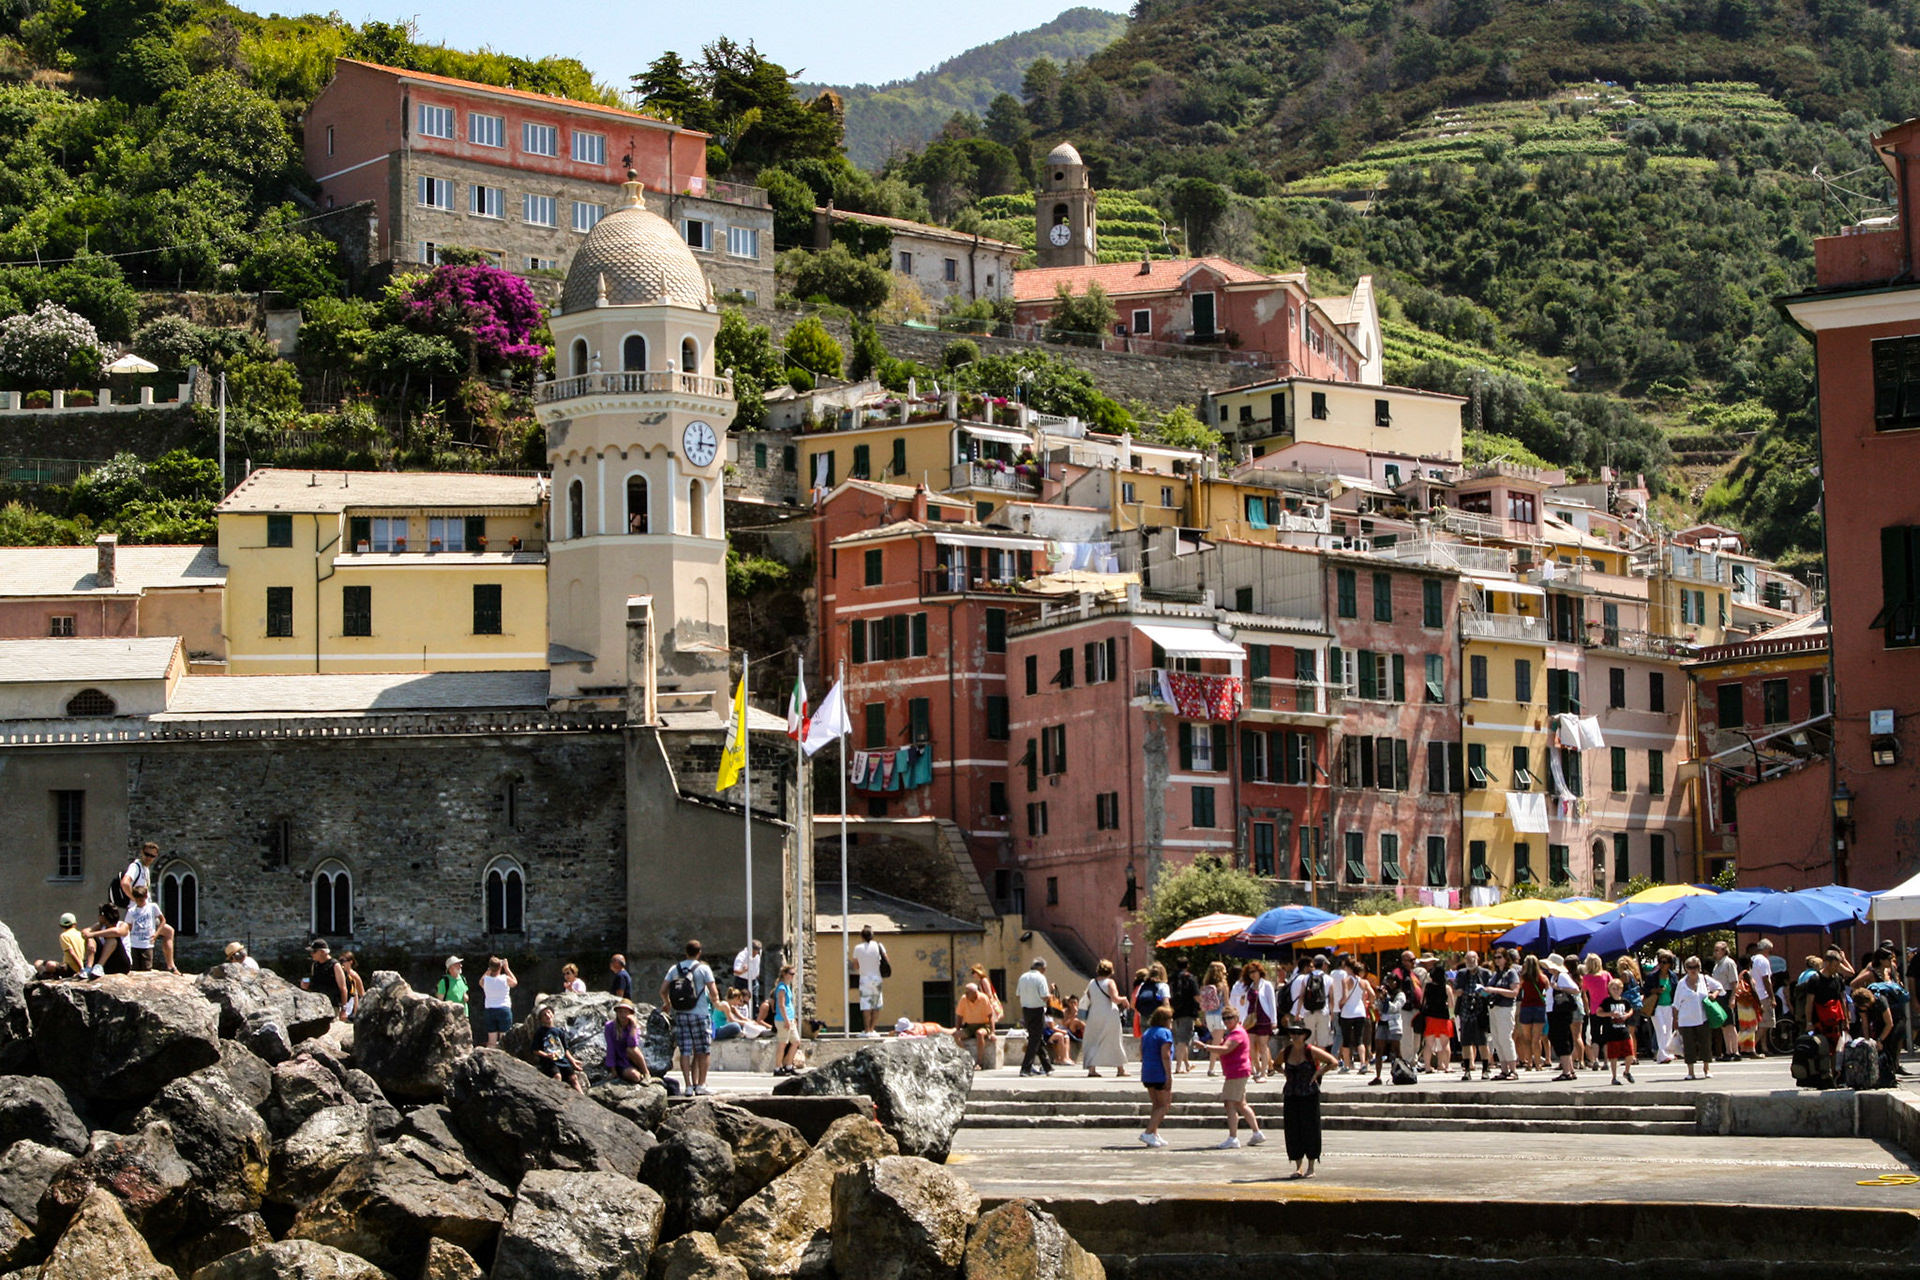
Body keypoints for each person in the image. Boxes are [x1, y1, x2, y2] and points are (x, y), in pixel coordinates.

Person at [1195, 1005, 1264, 1147]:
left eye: (1229, 1018)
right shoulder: (1234, 1033)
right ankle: (1257, 1133)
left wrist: (1206, 1047)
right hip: (1237, 1071)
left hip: (1237, 1072)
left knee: (1229, 1103)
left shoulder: (1237, 1033)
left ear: (1236, 1018)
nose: (1226, 1021)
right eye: (1224, 1019)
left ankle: (1233, 1137)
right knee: (1241, 1104)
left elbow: (1226, 1049)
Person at [661, 940, 721, 1095]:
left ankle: (688, 1086)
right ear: (699, 952)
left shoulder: (675, 968)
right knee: (703, 1050)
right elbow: (713, 992)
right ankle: (701, 1084)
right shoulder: (703, 968)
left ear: (685, 951)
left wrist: (668, 1003)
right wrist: (716, 1003)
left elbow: (663, 990)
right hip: (700, 1013)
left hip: (681, 1014)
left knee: (685, 1051)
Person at [1279, 1022, 1338, 1178]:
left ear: (1304, 1035)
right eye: (1292, 1033)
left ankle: (1311, 1166)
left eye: (1298, 1033)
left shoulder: (1310, 1051)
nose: (1295, 1036)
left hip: (1309, 1093)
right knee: (1293, 1129)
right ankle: (1298, 1166)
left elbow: (1333, 1062)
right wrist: (1285, 1073)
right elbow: (1276, 1064)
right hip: (1292, 1093)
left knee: (1310, 1128)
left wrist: (1319, 1073)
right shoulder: (1286, 1051)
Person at [119, 843, 177, 974]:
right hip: (137, 913)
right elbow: (125, 882)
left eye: (152, 856)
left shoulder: (145, 869)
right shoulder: (136, 867)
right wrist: (135, 899)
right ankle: (170, 966)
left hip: (146, 912)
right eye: (147, 854)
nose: (149, 858)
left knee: (168, 932)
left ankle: (171, 966)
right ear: (141, 852)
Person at [1673, 954, 1726, 1079]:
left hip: (1702, 1018)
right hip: (1686, 1020)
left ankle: (1706, 1068)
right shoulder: (1681, 984)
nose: (1693, 970)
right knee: (1689, 1046)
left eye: (1696, 967)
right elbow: (1676, 1004)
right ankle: (1690, 1072)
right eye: (1690, 967)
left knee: (1706, 1043)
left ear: (1699, 967)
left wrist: (1714, 994)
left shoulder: (1705, 979)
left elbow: (1720, 987)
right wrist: (1675, 1021)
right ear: (1686, 968)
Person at [1081, 959, 1128, 1078]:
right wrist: (1124, 999)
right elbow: (1115, 999)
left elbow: (1089, 997)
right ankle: (1120, 1069)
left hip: (1094, 1014)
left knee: (1093, 1040)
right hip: (1109, 1014)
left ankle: (1092, 1069)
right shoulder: (1110, 982)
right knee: (1114, 1040)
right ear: (1110, 971)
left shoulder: (1092, 982)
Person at [1138, 1006, 1176, 1148]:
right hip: (1159, 1072)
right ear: (1164, 1020)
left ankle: (1154, 1133)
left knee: (1156, 1104)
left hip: (1147, 1071)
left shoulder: (1147, 1032)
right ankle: (1148, 1132)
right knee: (1165, 1105)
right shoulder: (1165, 1033)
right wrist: (1169, 1076)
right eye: (1170, 1018)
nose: (1171, 1021)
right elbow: (1165, 1055)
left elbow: (1141, 1050)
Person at [1233, 960, 1276, 1081]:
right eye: (1250, 972)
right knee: (1251, 1046)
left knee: (1263, 1045)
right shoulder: (1248, 987)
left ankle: (1264, 1073)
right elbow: (1243, 1002)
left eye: (1254, 971)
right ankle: (1257, 1069)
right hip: (1251, 1018)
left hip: (1264, 1017)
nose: (1252, 974)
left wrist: (1274, 1020)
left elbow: (1272, 1003)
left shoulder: (1266, 985)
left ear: (1259, 972)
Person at [1484, 949, 1521, 1081]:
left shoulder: (1511, 973)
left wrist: (1495, 990)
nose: (1497, 960)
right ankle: (1504, 1069)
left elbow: (1514, 992)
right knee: (1497, 1039)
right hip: (1493, 1008)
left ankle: (1513, 1070)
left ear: (1506, 958)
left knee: (1506, 1038)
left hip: (1506, 1008)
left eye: (1500, 957)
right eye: (1495, 957)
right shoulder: (1496, 974)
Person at [1544, 955, 1581, 1081]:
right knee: (1559, 1038)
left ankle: (1566, 1071)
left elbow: (1575, 989)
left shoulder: (1562, 976)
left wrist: (1559, 988)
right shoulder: (1554, 976)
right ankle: (1570, 1069)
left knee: (1561, 1039)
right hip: (1554, 1011)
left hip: (1560, 1012)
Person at [1454, 952, 1490, 1081]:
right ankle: (1467, 1070)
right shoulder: (1462, 973)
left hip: (1480, 1010)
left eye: (1472, 959)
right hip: (1465, 1010)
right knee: (1465, 1042)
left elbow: (1490, 990)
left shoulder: (1485, 973)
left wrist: (1484, 993)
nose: (1470, 962)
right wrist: (1458, 992)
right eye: (1468, 959)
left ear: (1477, 959)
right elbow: (1456, 989)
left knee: (1482, 1041)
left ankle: (1485, 1070)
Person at [534, 1006, 586, 1094]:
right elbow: (535, 1050)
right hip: (550, 1062)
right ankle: (557, 1096)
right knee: (557, 1076)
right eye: (544, 1015)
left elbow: (565, 1049)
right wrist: (546, 1055)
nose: (547, 1015)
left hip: (562, 1060)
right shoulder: (540, 1032)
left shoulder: (559, 1031)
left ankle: (583, 1097)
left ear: (553, 1014)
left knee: (574, 1078)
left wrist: (573, 1061)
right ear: (541, 1019)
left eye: (549, 1012)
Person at [1369, 968, 1407, 1085]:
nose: (1391, 984)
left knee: (1396, 1051)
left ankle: (1400, 1073)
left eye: (1393, 981)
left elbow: (1395, 1008)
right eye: (1389, 981)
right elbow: (1377, 1006)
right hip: (1382, 1024)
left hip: (1394, 1024)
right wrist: (1381, 998)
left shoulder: (1400, 994)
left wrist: (1387, 999)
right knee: (1379, 1051)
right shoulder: (1384, 993)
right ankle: (1378, 1076)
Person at [1016, 958, 1054, 1077]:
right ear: (1042, 968)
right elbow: (1044, 996)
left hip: (1026, 1010)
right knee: (1035, 1039)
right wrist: (1051, 994)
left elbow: (1018, 994)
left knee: (1037, 1038)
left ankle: (1047, 1066)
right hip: (1037, 1010)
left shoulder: (1023, 977)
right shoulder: (1040, 978)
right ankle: (1025, 1068)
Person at [1337, 958, 1373, 1074]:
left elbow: (1345, 996)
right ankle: (1363, 1063)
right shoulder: (1364, 982)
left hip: (1347, 1012)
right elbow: (1372, 994)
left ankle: (1347, 1065)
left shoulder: (1346, 980)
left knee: (1346, 1040)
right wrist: (1369, 1003)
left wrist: (1340, 1004)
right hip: (1360, 1012)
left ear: (1348, 968)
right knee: (1359, 1039)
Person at [1642, 951, 1679, 1064]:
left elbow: (1676, 992)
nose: (1661, 965)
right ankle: (1663, 1056)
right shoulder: (1652, 977)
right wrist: (1655, 990)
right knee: (1661, 1030)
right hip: (1656, 1006)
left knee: (1668, 1030)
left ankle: (1666, 1053)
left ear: (1669, 964)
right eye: (1660, 962)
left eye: (1664, 962)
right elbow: (1645, 989)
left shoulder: (1672, 977)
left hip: (1668, 1006)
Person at [851, 925, 888, 1035]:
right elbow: (886, 959)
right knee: (876, 1005)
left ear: (862, 936)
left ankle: (866, 1030)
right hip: (877, 978)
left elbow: (856, 966)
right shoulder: (879, 946)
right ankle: (872, 1029)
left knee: (866, 1006)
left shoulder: (858, 948)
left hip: (864, 979)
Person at [1293, 955, 1335, 1054]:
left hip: (1308, 1011)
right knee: (1322, 1040)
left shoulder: (1306, 978)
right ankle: (1319, 1063)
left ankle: (1310, 1061)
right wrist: (1332, 1013)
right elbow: (1331, 999)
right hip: (1323, 1011)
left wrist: (1298, 1013)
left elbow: (1302, 996)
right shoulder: (1329, 979)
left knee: (1308, 1039)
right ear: (1324, 965)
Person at [604, 1000, 652, 1083]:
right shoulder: (610, 1026)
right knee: (635, 1077)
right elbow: (610, 1048)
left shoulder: (634, 1026)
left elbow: (632, 1043)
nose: (623, 1015)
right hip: (620, 1062)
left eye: (625, 1012)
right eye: (620, 1012)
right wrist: (613, 1070)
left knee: (632, 1049)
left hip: (632, 1058)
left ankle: (646, 1073)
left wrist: (633, 1026)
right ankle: (640, 1077)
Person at [1597, 978, 1634, 1084]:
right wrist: (1610, 1014)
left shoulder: (1624, 1001)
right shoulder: (1607, 1002)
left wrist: (1627, 1015)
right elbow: (1598, 1012)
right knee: (1613, 1056)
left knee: (1630, 1054)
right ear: (1609, 990)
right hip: (1612, 1031)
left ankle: (1627, 1071)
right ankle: (1614, 1076)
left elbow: (1630, 1009)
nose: (1616, 991)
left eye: (1618, 988)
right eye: (1613, 989)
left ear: (1621, 989)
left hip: (1623, 1030)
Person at [1420, 963, 1454, 1075]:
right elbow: (1451, 1004)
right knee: (1445, 1044)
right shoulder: (1447, 988)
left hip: (1430, 1017)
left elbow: (1422, 1001)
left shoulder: (1427, 986)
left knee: (1428, 1044)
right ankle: (1447, 1066)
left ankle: (1427, 1067)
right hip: (1443, 1018)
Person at [1710, 941, 1742, 1062]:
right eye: (1715, 950)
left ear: (1724, 951)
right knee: (1723, 1025)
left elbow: (1734, 982)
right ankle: (1728, 1051)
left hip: (1727, 993)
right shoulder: (1717, 964)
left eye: (1718, 950)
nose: (1715, 952)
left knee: (1730, 1024)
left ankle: (1735, 1051)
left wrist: (1733, 998)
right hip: (1719, 995)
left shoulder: (1729, 963)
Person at [1169, 957, 1202, 1074]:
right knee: (1183, 1040)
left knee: (1180, 1039)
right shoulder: (1189, 978)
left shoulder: (1171, 978)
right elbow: (1197, 997)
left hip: (1174, 1011)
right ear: (1187, 965)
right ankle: (1178, 1067)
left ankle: (1187, 1064)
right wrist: (1202, 1007)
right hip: (1187, 1012)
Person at [954, 982, 998, 1068]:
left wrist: (992, 1032)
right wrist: (958, 1029)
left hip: (984, 1025)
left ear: (975, 993)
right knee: (956, 1035)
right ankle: (966, 1057)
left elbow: (990, 1016)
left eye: (968, 992)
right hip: (969, 1026)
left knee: (980, 1034)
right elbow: (959, 1016)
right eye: (965, 992)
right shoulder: (964, 999)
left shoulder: (983, 998)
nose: (966, 994)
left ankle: (979, 1062)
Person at [1580, 955, 1612, 1072]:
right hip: (1607, 1009)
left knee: (1595, 1035)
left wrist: (1586, 1007)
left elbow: (1583, 993)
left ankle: (1596, 1060)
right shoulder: (1606, 975)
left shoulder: (1587, 978)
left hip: (1594, 1009)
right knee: (1607, 1035)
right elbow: (1612, 988)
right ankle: (1606, 1061)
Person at [79, 903, 127, 978]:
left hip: (120, 963)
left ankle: (99, 966)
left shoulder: (123, 925)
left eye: (100, 914)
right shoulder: (100, 925)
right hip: (108, 964)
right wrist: (90, 938)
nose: (98, 916)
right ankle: (88, 967)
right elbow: (85, 932)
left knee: (111, 938)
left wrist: (92, 934)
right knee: (90, 938)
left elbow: (117, 932)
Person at [1517, 955, 1548, 1070]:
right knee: (1537, 1038)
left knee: (1527, 1038)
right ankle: (1538, 1064)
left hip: (1526, 1007)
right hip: (1539, 1008)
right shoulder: (1543, 978)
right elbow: (1547, 990)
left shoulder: (1523, 978)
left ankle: (1529, 1063)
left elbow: (1519, 989)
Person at [34, 913, 86, 979]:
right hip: (80, 965)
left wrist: (81, 969)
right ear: (75, 924)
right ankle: (51, 975)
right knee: (45, 964)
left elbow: (72, 953)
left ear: (60, 926)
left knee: (39, 963)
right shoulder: (80, 934)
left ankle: (49, 975)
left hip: (70, 968)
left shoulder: (64, 936)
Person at [478, 957, 517, 1045]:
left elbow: (480, 982)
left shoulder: (486, 980)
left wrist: (488, 970)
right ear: (500, 967)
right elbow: (514, 982)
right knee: (504, 1040)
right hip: (504, 1009)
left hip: (490, 1010)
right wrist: (507, 968)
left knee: (491, 1041)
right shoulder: (505, 978)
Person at [304, 939, 348, 1016]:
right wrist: (306, 986)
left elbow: (343, 988)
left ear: (322, 952)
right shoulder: (315, 965)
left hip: (332, 1006)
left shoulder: (335, 965)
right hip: (316, 1005)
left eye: (314, 951)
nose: (311, 954)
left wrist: (343, 1010)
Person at [1199, 961, 1229, 1076]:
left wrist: (1202, 1017)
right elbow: (1226, 1002)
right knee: (1216, 1044)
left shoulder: (1205, 986)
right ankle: (1211, 1068)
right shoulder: (1223, 986)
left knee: (1219, 1042)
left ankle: (1223, 1067)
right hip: (1219, 1015)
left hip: (1209, 1016)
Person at [1746, 939, 1775, 1057]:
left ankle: (1763, 1047)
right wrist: (1772, 997)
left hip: (1753, 995)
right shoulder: (1763, 961)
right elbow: (1766, 980)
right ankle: (1751, 1048)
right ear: (1766, 949)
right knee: (1765, 1023)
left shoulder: (1752, 959)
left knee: (1761, 1024)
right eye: (1770, 951)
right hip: (1763, 995)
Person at [733, 940, 764, 1009]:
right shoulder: (742, 955)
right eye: (754, 952)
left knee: (755, 1001)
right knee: (741, 1001)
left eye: (757, 952)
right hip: (742, 981)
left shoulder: (759, 953)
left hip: (754, 981)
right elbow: (735, 971)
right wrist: (743, 971)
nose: (756, 954)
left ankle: (754, 1017)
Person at [337, 950, 366, 1020]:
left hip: (350, 1006)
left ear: (350, 962)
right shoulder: (338, 973)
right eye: (340, 961)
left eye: (343, 960)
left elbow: (361, 993)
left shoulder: (354, 975)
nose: (341, 963)